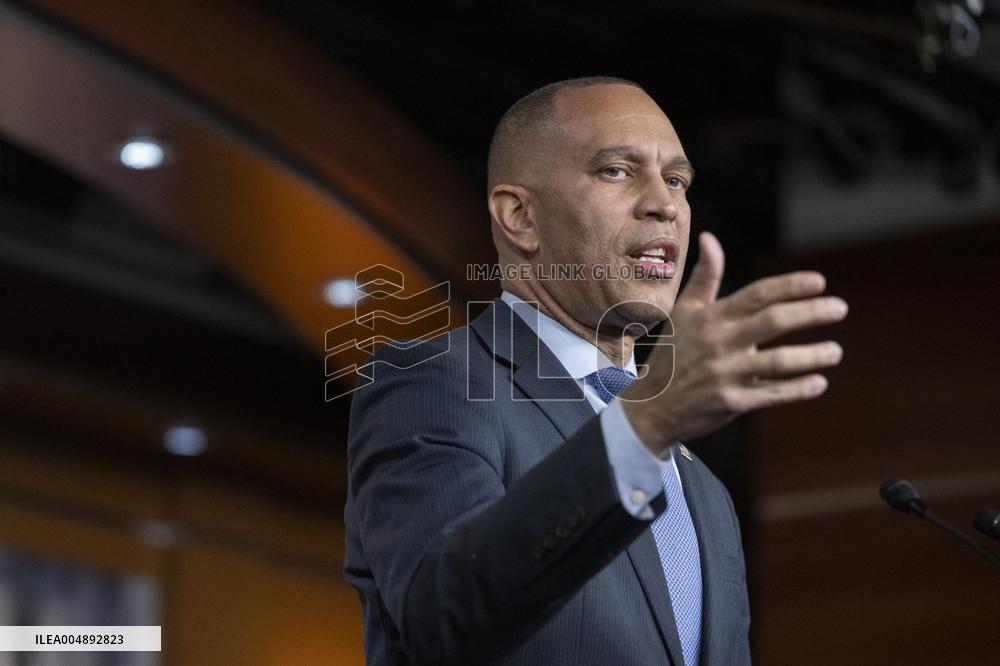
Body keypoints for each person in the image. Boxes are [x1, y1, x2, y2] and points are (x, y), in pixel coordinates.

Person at [343, 76, 847, 665]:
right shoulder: (437, 382)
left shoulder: (704, 492)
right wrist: (647, 424)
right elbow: (441, 615)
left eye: (677, 180)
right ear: (519, 217)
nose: (664, 203)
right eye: (617, 170)